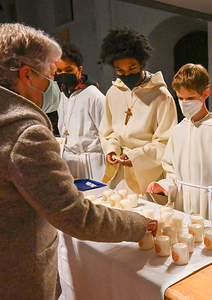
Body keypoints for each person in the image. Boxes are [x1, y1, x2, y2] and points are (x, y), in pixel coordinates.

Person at [0, 23, 157, 300]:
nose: (54, 84)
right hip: (17, 274)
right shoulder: (25, 133)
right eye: (50, 75)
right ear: (26, 75)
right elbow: (74, 214)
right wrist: (138, 224)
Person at [147, 63, 212, 231]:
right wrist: (166, 185)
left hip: (209, 208)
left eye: (190, 98)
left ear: (205, 94)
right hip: (182, 206)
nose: (184, 103)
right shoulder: (178, 130)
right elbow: (172, 170)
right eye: (180, 98)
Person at [99, 28, 177, 196]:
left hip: (146, 170)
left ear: (141, 62)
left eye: (132, 68)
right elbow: (107, 131)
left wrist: (136, 157)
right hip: (119, 170)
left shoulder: (161, 96)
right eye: (120, 71)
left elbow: (166, 142)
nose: (126, 74)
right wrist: (111, 149)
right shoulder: (113, 92)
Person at [55, 43, 106, 181]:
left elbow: (108, 136)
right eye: (59, 71)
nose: (63, 74)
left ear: (79, 70)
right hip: (69, 160)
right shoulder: (62, 95)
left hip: (92, 163)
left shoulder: (95, 97)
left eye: (68, 69)